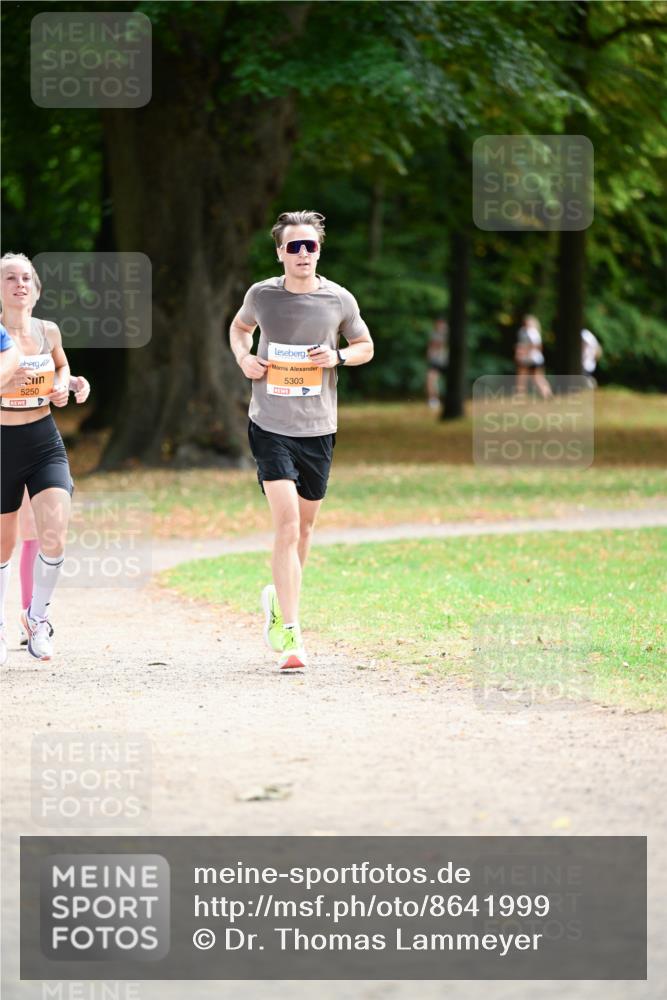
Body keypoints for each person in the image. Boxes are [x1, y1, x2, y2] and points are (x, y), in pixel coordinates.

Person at [229, 210, 374, 672]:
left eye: (310, 245)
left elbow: (365, 345)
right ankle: (292, 635)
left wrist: (338, 356)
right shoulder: (262, 296)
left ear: (319, 250)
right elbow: (239, 329)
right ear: (280, 252)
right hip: (270, 424)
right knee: (288, 526)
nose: (303, 253)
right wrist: (244, 358)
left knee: (306, 529)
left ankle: (279, 599)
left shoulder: (338, 299)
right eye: (294, 246)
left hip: (319, 428)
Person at [0, 252, 75, 665]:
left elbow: (62, 366)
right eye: (10, 278)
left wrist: (62, 386)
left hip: (43, 440)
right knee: (3, 546)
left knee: (55, 532)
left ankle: (38, 619)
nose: (20, 284)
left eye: (26, 277)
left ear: (37, 288)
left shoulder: (48, 330)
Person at [17, 375, 90, 648]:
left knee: (33, 530)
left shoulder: (39, 333)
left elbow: (37, 369)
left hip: (32, 443)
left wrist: (68, 383)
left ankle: (32, 617)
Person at [514, 314, 553, 399]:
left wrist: (524, 353)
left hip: (531, 358)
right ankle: (546, 392)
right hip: (534, 358)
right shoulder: (529, 331)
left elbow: (535, 345)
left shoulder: (530, 332)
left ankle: (521, 394)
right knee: (535, 376)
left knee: (524, 376)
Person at [426, 316, 448, 411]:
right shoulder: (434, 334)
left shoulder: (447, 334)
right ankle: (433, 400)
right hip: (435, 362)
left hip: (445, 361)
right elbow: (431, 347)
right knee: (431, 380)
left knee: (432, 380)